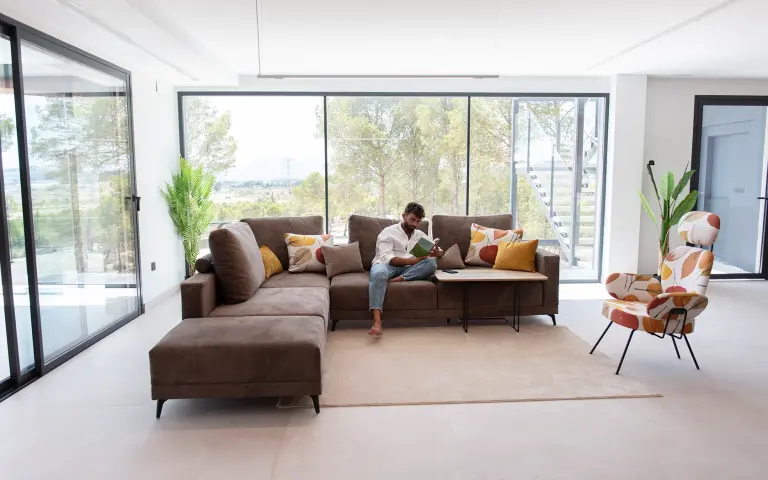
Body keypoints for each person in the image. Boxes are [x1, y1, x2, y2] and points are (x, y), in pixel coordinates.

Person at [368, 202, 443, 336]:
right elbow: (388, 259)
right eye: (412, 219)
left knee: (431, 264)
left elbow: (436, 250)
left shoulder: (419, 234)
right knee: (379, 274)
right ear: (404, 216)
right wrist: (413, 260)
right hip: (386, 266)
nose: (415, 224)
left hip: (408, 269)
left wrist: (438, 252)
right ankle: (377, 322)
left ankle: (399, 279)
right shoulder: (388, 232)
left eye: (418, 221)